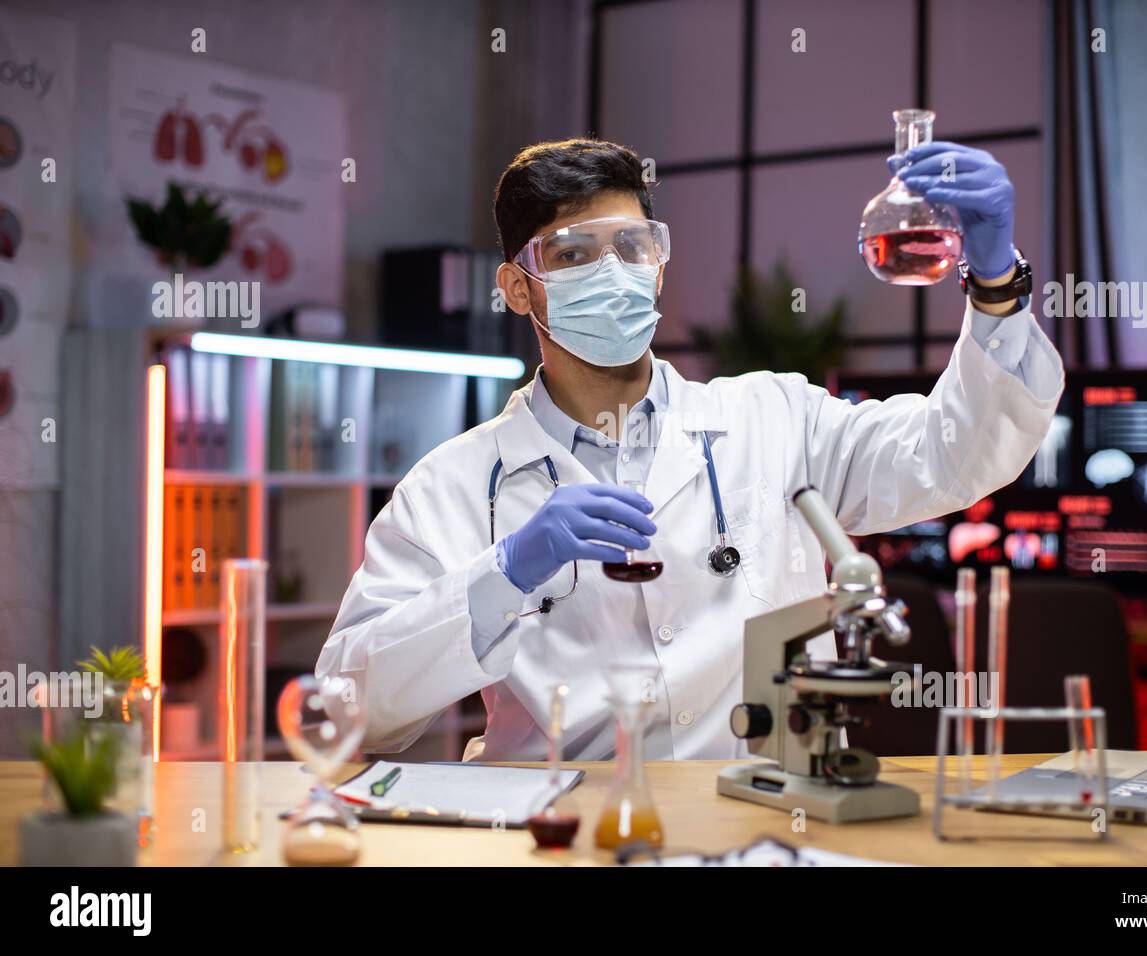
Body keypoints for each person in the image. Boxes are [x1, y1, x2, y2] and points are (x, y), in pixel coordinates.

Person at [317, 138, 1064, 760]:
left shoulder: (777, 419)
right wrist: (503, 574)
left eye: (634, 245)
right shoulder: (453, 484)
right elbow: (348, 710)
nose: (615, 273)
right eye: (575, 254)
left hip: (765, 823)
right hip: (565, 832)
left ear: (660, 262)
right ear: (519, 288)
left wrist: (996, 281)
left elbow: (956, 453)